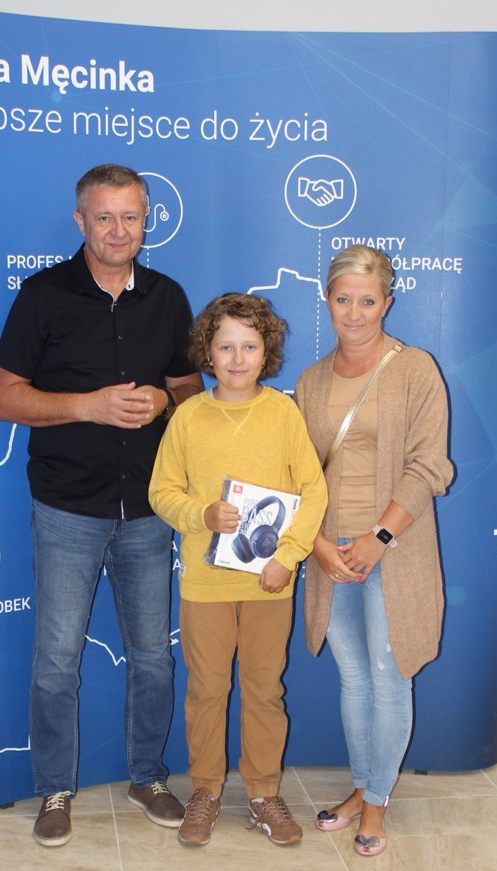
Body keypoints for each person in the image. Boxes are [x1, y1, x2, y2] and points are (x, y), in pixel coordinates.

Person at [0, 164, 203, 847]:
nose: (118, 230)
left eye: (130, 217)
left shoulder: (167, 296)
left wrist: (164, 398)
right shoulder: (42, 294)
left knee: (154, 659)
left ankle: (148, 776)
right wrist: (88, 405)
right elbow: (2, 398)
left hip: (149, 510)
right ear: (80, 220)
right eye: (104, 217)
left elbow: (191, 388)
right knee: (56, 661)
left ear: (147, 220)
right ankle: (54, 788)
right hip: (67, 510)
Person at [148, 293, 327, 848]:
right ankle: (204, 790)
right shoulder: (188, 417)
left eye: (249, 346)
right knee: (206, 689)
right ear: (207, 352)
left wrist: (288, 557)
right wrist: (200, 514)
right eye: (225, 347)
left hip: (269, 584)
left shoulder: (283, 413)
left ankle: (263, 793)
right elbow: (162, 492)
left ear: (266, 352)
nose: (237, 358)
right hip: (205, 585)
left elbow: (314, 490)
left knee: (264, 690)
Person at [294, 244, 454, 858]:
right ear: (326, 300)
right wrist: (317, 545)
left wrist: (378, 538)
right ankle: (362, 786)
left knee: (389, 676)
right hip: (331, 552)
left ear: (387, 302)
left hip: (395, 549)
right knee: (354, 677)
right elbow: (298, 477)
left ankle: (377, 804)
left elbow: (429, 466)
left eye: (367, 301)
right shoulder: (310, 383)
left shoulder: (415, 369)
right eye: (343, 299)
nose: (355, 313)